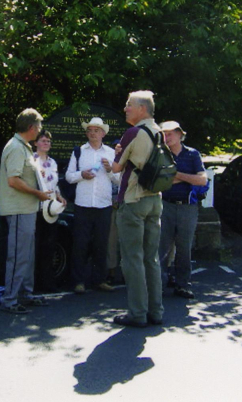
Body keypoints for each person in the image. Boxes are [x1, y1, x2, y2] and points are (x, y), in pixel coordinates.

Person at [112, 90, 164, 328]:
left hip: (133, 200)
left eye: (129, 105)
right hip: (155, 200)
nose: (125, 109)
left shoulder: (134, 132)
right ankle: (156, 311)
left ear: (142, 108)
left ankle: (137, 313)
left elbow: (115, 168)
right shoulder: (159, 132)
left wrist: (118, 153)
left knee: (132, 259)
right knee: (151, 259)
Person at [0, 109, 52, 314]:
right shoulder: (16, 148)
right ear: (31, 127)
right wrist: (37, 193)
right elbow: (13, 180)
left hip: (26, 208)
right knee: (19, 256)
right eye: (38, 126)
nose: (40, 130)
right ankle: (10, 299)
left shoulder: (23, 147)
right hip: (19, 209)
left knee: (26, 255)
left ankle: (25, 294)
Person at [65, 117, 119, 294]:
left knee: (101, 244)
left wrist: (110, 170)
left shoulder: (111, 153)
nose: (92, 133)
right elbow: (69, 176)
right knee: (80, 244)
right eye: (89, 130)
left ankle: (99, 280)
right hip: (83, 204)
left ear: (103, 133)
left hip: (104, 205)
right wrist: (82, 174)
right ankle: (78, 281)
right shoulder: (79, 151)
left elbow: (119, 180)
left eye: (96, 130)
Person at [158, 121, 207, 299]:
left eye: (170, 133)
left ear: (180, 134)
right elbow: (160, 181)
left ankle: (183, 285)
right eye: (164, 134)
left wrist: (176, 175)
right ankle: (160, 285)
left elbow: (202, 180)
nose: (167, 137)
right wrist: (188, 178)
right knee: (161, 247)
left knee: (184, 248)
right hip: (165, 205)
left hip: (187, 207)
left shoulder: (192, 154)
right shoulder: (160, 154)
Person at [33, 129, 66, 292]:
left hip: (51, 209)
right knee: (37, 246)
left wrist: (59, 196)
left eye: (48, 141)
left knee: (49, 247)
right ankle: (34, 283)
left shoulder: (52, 162)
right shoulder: (31, 160)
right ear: (35, 143)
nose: (46, 143)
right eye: (43, 140)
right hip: (37, 208)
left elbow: (54, 184)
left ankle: (48, 283)